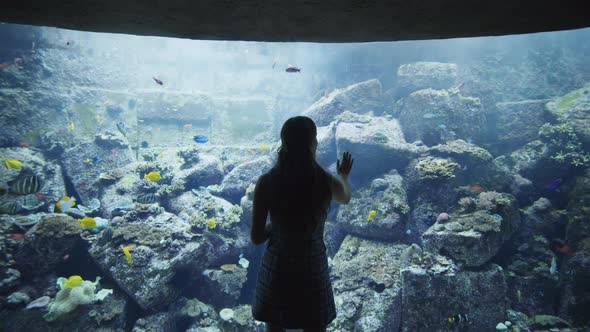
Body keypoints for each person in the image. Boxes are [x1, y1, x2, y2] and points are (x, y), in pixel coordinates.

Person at [251, 116, 353, 332]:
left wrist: (276, 227)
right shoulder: (324, 180)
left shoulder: (266, 182)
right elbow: (344, 197)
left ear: (283, 142)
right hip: (312, 264)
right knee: (314, 325)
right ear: (313, 143)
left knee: (275, 325)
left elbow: (257, 237)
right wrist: (343, 175)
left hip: (278, 264)